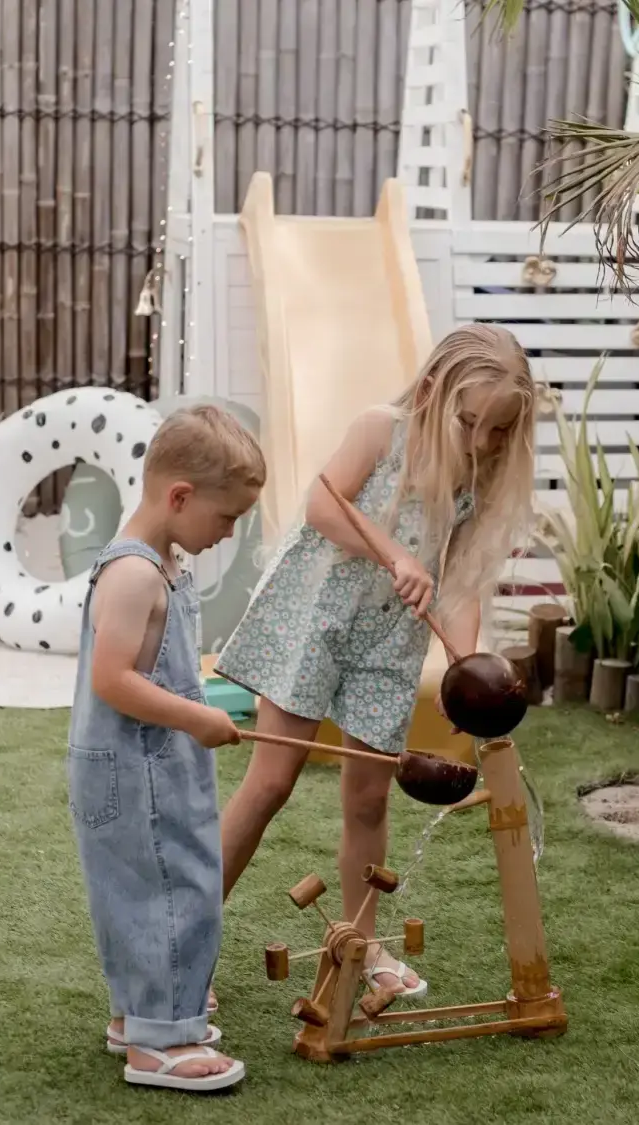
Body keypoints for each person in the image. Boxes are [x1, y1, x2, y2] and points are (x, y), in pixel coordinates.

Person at [212, 324, 537, 1002]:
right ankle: (188, 938)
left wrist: (469, 668)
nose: (482, 443)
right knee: (271, 781)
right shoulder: (380, 429)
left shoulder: (479, 477)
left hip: (390, 645)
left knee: (368, 797)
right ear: (428, 393)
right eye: (471, 422)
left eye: (499, 431)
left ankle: (360, 943)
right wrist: (396, 555)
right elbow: (323, 504)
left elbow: (458, 587)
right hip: (320, 618)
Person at [67, 404, 266, 1093]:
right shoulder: (134, 574)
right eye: (226, 517)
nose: (229, 532)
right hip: (138, 770)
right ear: (179, 496)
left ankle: (141, 1015)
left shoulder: (165, 562)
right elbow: (112, 677)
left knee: (143, 889)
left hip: (147, 767)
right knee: (171, 889)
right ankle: (162, 1043)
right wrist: (196, 717)